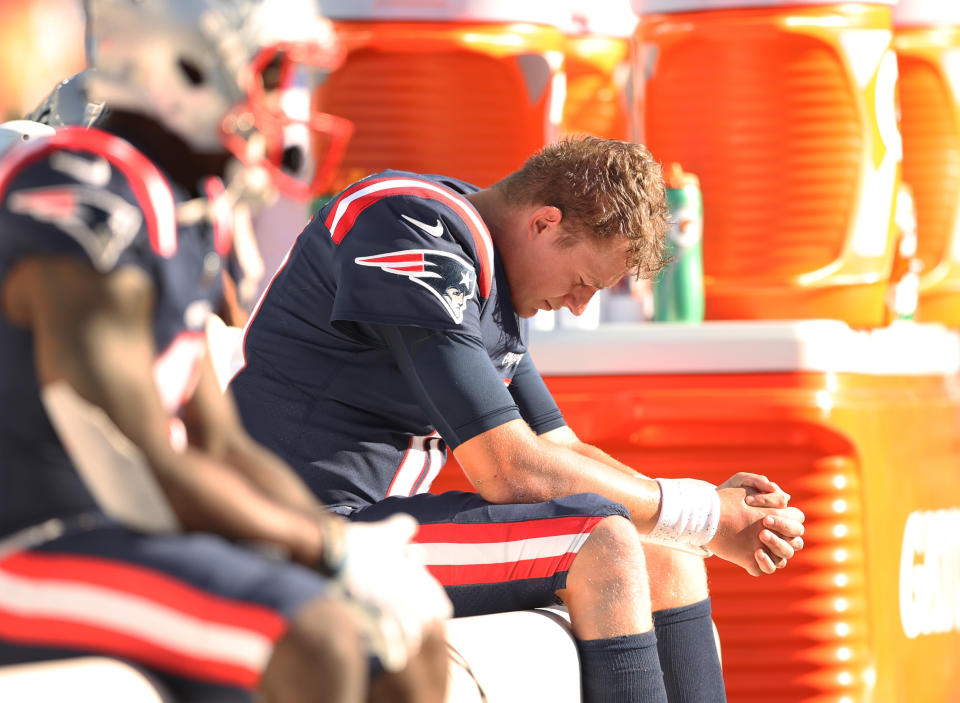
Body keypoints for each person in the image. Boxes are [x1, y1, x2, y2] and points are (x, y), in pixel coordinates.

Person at [228, 135, 807, 702]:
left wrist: (696, 510)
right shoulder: (405, 223)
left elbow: (561, 448)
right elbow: (508, 469)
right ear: (544, 223)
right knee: (603, 543)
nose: (579, 306)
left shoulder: (485, 262)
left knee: (665, 550)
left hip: (366, 520)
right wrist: (704, 515)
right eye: (583, 283)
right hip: (299, 532)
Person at [0, 1, 451, 702]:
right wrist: (325, 551)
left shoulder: (181, 204)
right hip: (29, 541)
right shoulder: (84, 196)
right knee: (317, 634)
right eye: (271, 75)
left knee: (409, 628)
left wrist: (341, 544)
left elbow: (221, 442)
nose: (282, 101)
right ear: (181, 66)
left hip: (116, 530)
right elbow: (142, 457)